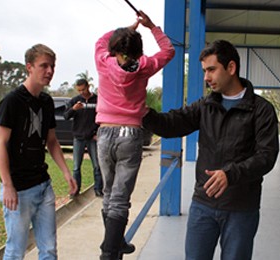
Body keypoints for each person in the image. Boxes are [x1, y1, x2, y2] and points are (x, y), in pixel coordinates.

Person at [142, 40, 279, 260]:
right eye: (205, 71)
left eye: (211, 70)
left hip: (241, 208)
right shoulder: (206, 106)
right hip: (203, 205)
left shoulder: (261, 110)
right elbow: (172, 124)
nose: (206, 77)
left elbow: (266, 156)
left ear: (231, 68)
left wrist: (230, 174)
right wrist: (145, 114)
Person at [94, 10, 175, 260]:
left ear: (116, 47)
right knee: (120, 198)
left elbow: (101, 41)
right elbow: (168, 50)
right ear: (138, 51)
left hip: (104, 132)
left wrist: (129, 30)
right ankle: (110, 253)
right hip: (130, 134)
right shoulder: (144, 67)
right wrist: (151, 27)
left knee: (109, 194)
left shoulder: (103, 60)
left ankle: (114, 241)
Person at [0, 43, 77, 260]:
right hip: (18, 191)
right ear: (29, 67)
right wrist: (8, 186)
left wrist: (67, 173)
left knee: (49, 250)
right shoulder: (12, 101)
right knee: (15, 252)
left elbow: (52, 141)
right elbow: (0, 144)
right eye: (44, 66)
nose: (49, 71)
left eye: (52, 66)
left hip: (43, 186)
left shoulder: (47, 102)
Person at [64, 78, 103, 197]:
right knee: (76, 166)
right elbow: (66, 116)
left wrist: (96, 132)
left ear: (88, 86)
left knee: (97, 165)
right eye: (79, 90)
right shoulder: (75, 101)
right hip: (78, 138)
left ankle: (98, 189)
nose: (82, 92)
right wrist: (73, 109)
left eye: (83, 89)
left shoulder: (97, 100)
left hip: (92, 138)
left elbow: (101, 117)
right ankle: (76, 190)